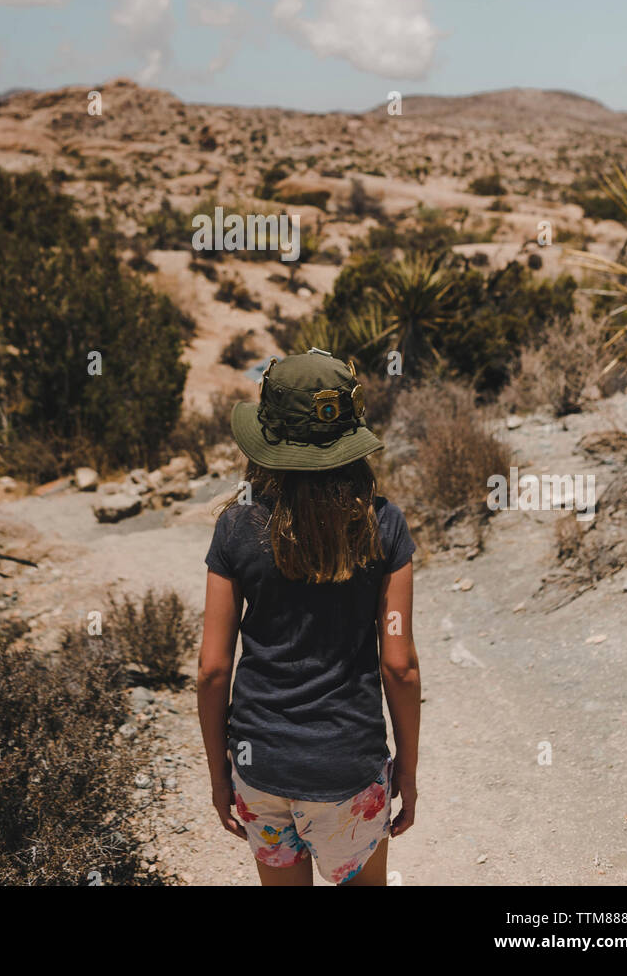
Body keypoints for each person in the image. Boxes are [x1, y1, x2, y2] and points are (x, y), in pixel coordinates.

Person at [197, 349, 420, 887]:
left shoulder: (235, 528)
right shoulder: (383, 526)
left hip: (260, 766)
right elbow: (399, 665)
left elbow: (210, 670)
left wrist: (218, 777)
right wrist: (407, 772)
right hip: (348, 766)